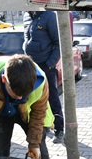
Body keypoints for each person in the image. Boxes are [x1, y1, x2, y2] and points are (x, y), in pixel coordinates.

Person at [23, 11, 64, 144]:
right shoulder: (26, 16)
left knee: (52, 97)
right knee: (34, 97)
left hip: (46, 65)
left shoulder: (49, 16)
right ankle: (43, 126)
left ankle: (59, 129)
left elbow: (59, 42)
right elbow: (26, 37)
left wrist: (50, 64)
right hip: (31, 65)